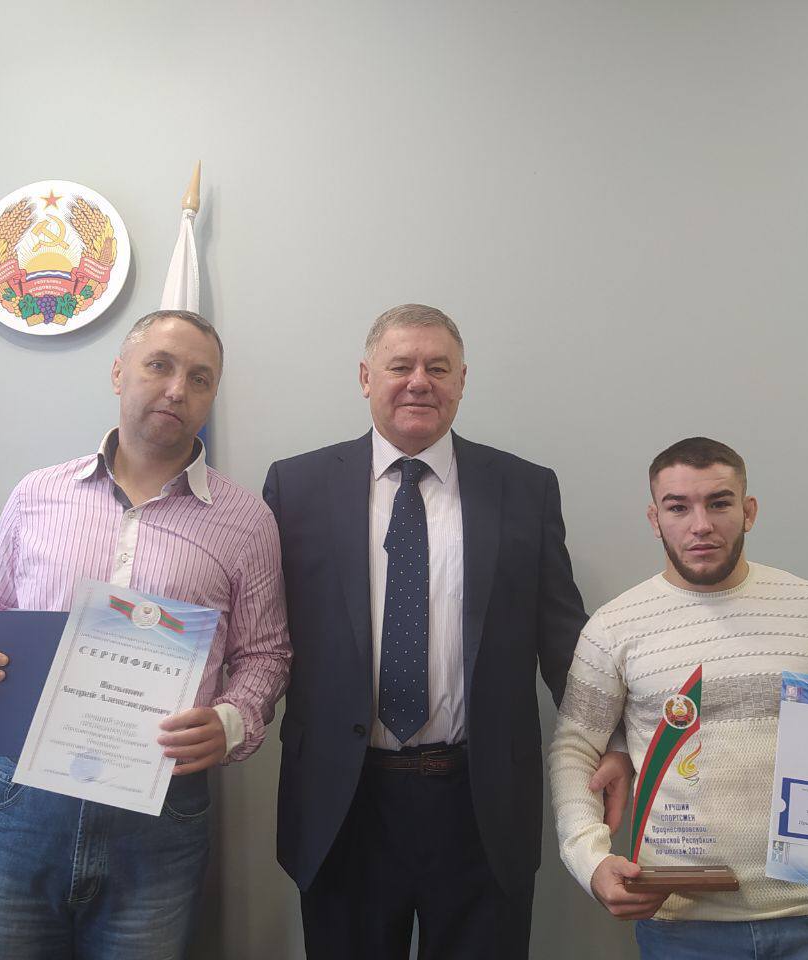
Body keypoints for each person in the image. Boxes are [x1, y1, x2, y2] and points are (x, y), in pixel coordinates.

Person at [263, 304, 631, 959]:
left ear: (462, 380)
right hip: (343, 801)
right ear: (365, 377)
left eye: (438, 368)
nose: (419, 382)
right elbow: (263, 632)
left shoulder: (524, 488)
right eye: (400, 366)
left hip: (479, 802)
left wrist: (616, 739)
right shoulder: (297, 486)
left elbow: (563, 641)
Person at [0, 310, 291, 960]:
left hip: (161, 816)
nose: (178, 389)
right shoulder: (38, 494)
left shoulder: (247, 520)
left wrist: (232, 721)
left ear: (212, 395)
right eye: (160, 365)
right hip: (23, 800)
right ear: (118, 372)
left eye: (200, 378)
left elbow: (265, 654)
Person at [548, 437, 808, 960]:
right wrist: (590, 860)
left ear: (749, 511)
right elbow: (575, 749)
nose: (701, 525)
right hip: (683, 926)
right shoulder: (614, 627)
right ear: (655, 518)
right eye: (678, 507)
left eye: (719, 503)